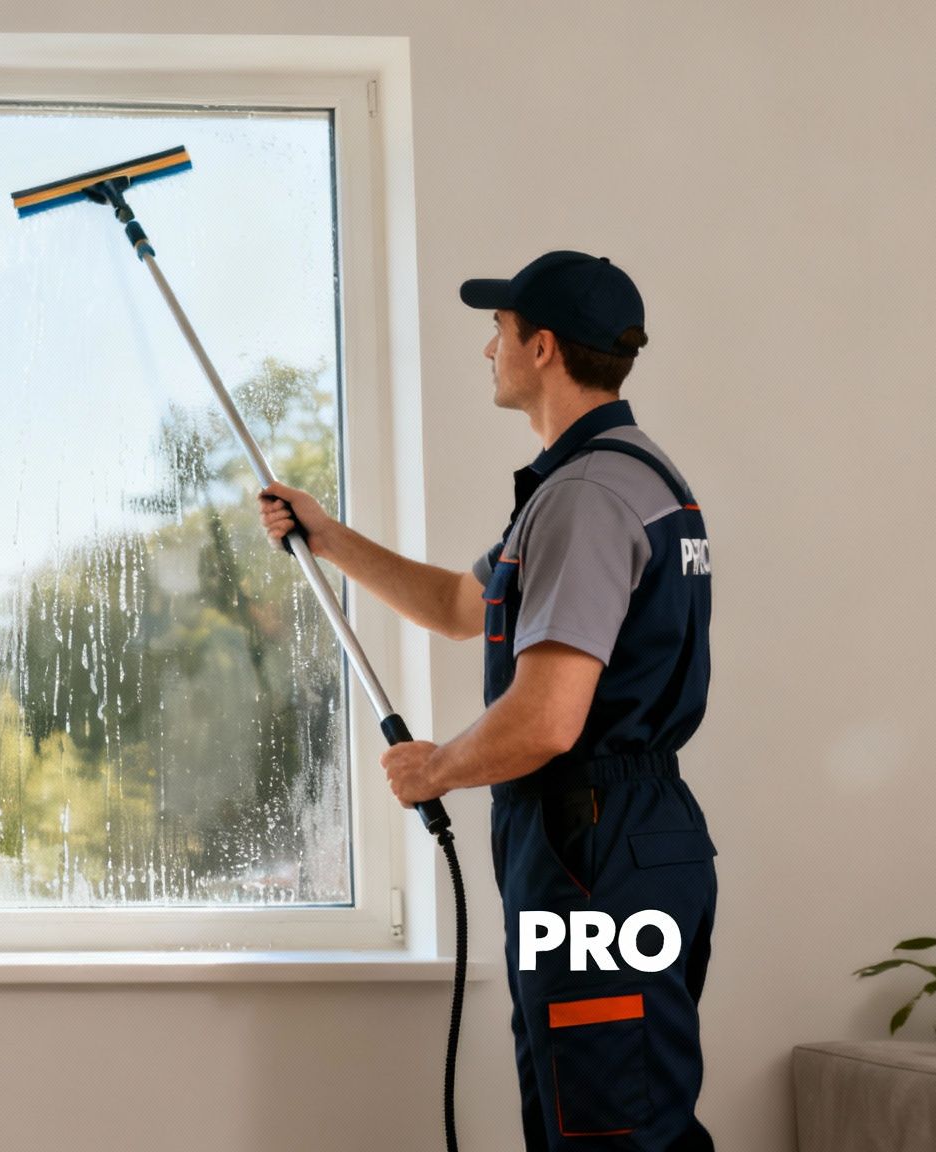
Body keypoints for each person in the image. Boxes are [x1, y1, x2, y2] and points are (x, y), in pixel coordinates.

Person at [261, 251, 715, 1149]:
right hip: (623, 836)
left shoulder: (585, 497)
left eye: (498, 331)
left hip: (592, 848)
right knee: (609, 1099)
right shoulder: (619, 476)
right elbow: (461, 608)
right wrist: (328, 536)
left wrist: (436, 768)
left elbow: (546, 720)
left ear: (542, 348)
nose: (487, 349)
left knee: (605, 1124)